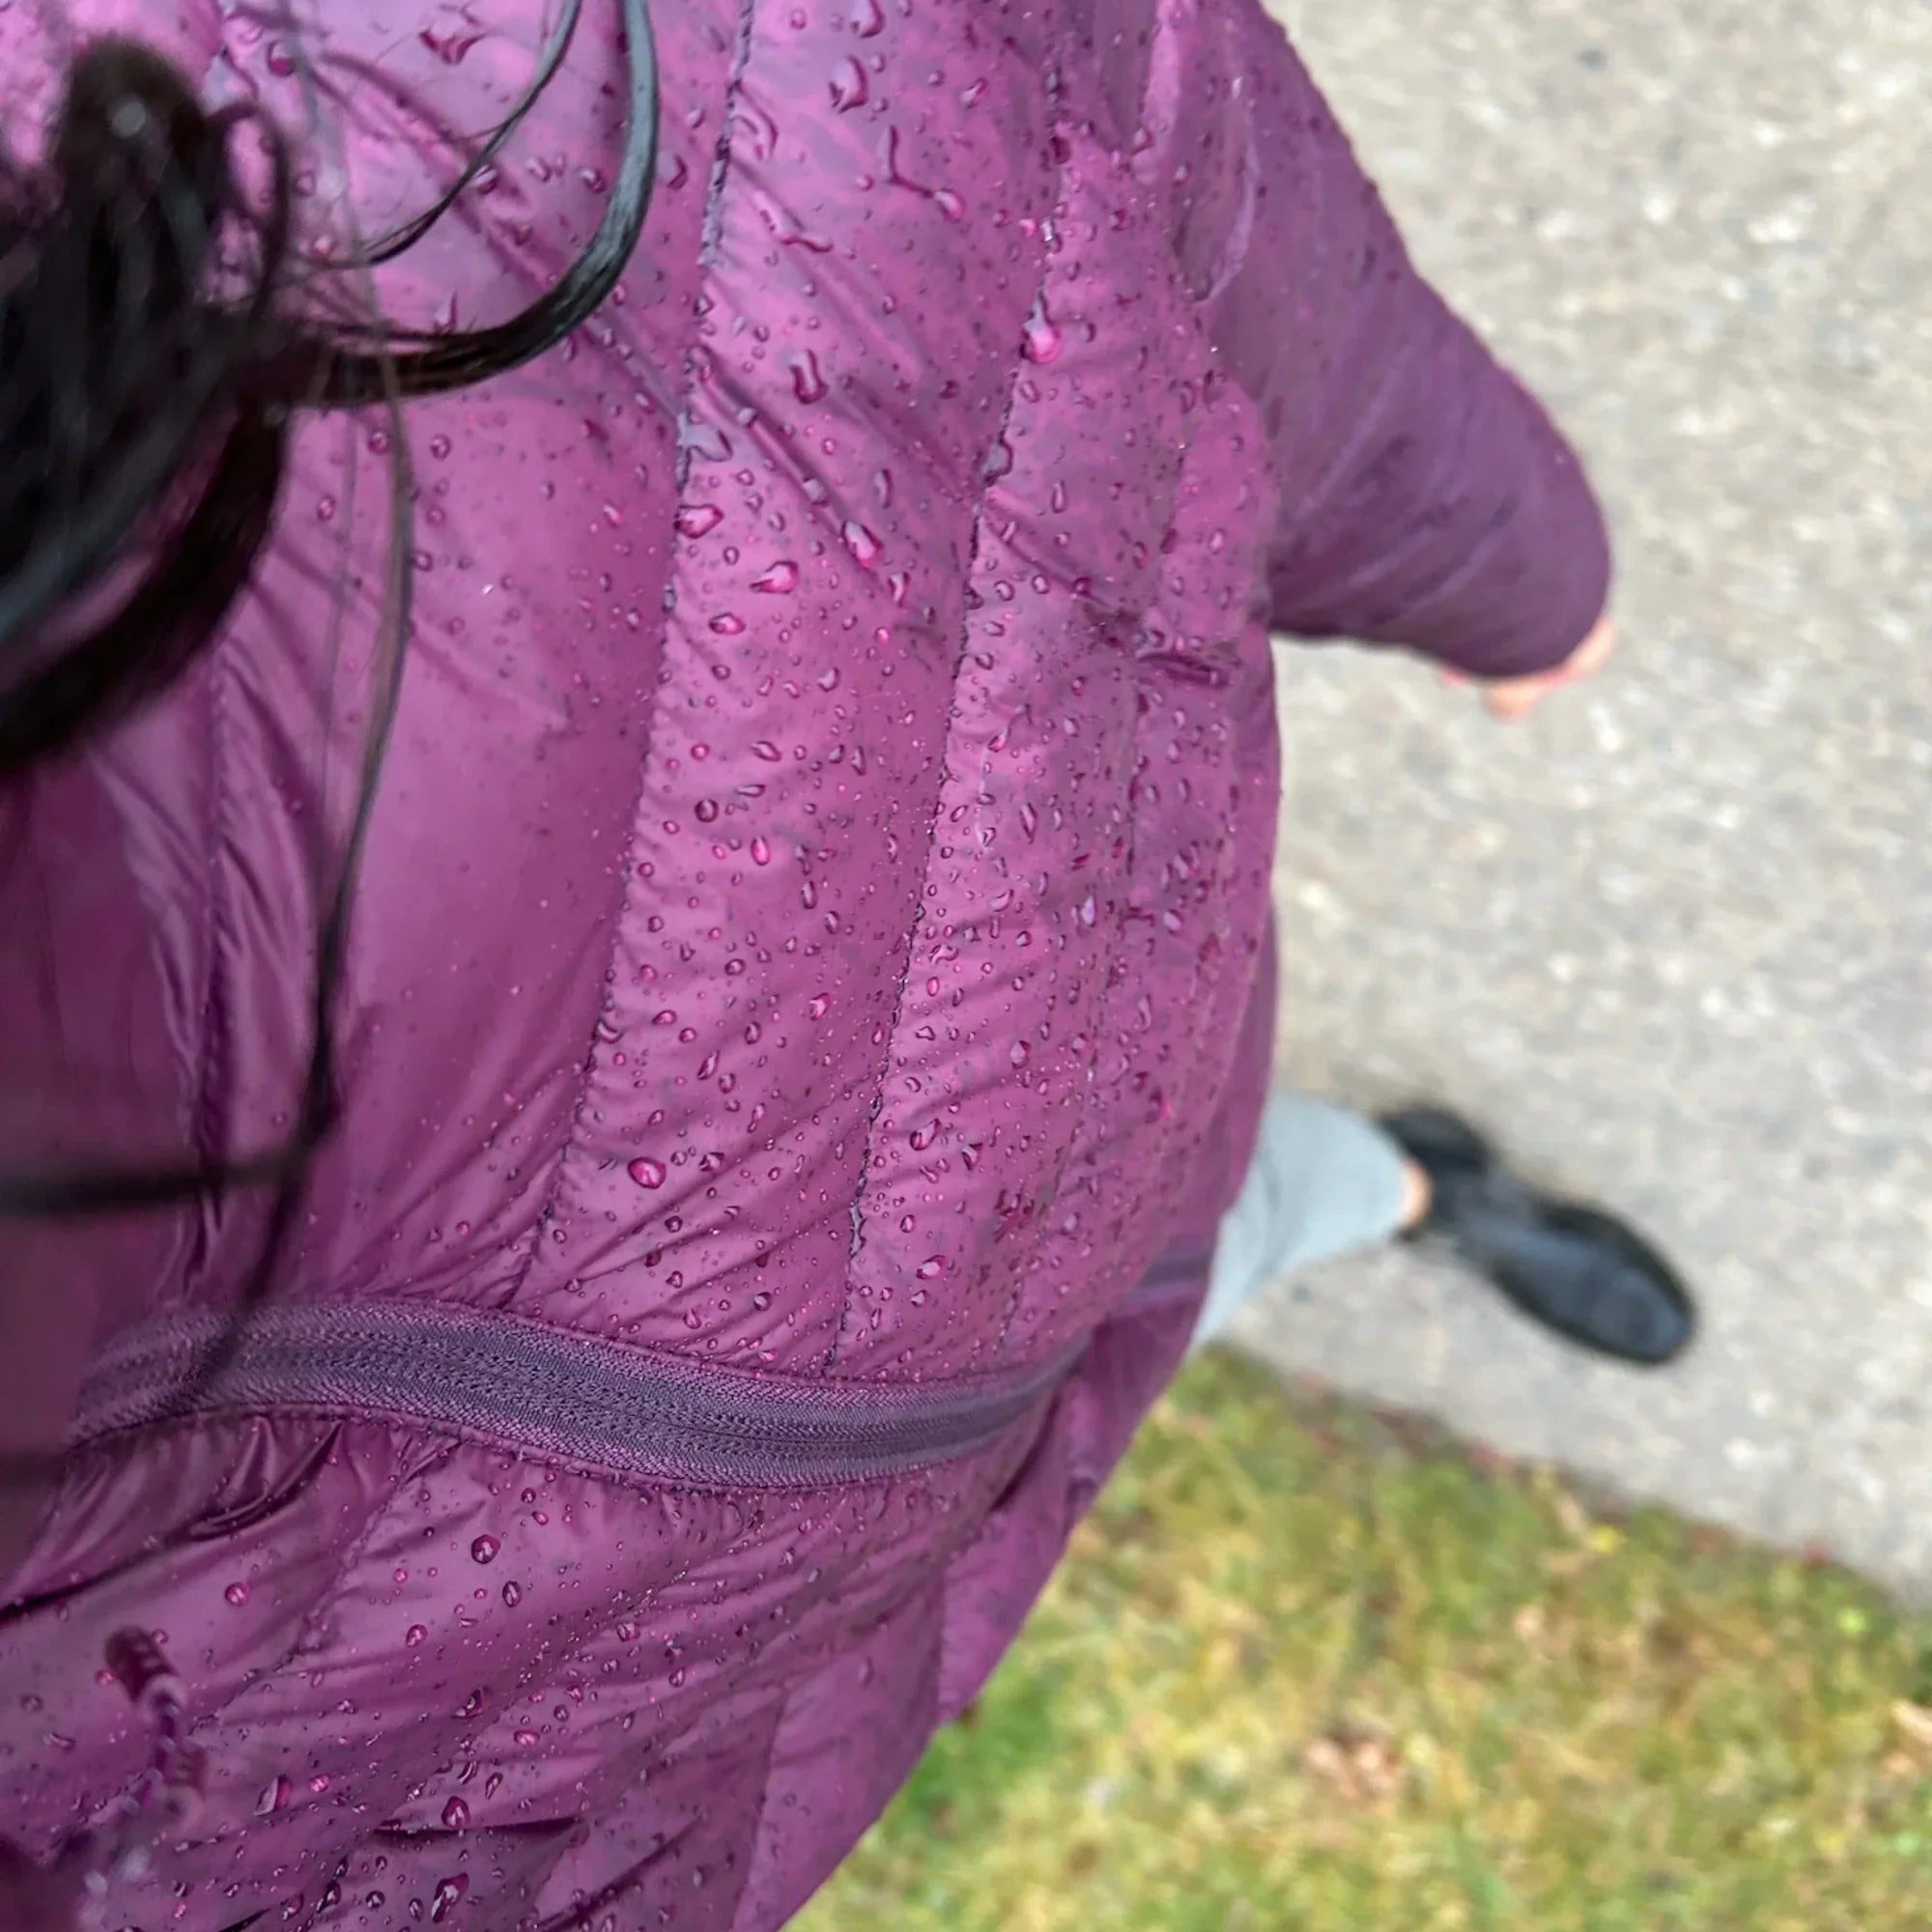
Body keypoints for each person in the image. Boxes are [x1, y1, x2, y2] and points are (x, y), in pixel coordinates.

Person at [0, 0, 1685, 1924]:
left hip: (1123, 1025)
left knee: (1227, 1181)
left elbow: (1110, 140)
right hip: (957, 1466)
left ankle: (1383, 1185)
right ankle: (1391, 1193)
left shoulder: (367, 77)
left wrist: (1493, 549)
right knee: (1210, 1254)